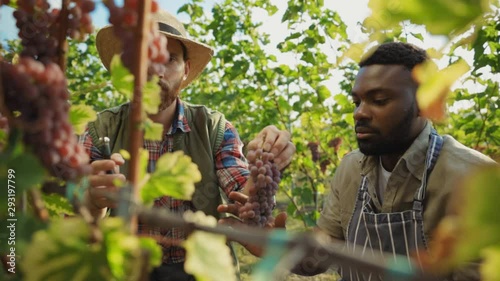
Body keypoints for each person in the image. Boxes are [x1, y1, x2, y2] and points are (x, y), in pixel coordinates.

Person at [219, 42, 496, 280]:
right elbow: (324, 250)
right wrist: (275, 247)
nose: (359, 113)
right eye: (357, 102)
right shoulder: (352, 168)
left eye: (378, 100)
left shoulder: (475, 179)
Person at [80, 10, 295, 281]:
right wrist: (92, 202)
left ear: (186, 71)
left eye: (168, 59)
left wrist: (265, 164)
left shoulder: (214, 127)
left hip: (203, 272)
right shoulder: (99, 129)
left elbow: (241, 190)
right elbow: (79, 219)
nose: (154, 69)